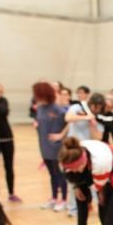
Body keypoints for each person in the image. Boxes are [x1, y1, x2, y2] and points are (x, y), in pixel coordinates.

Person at [32, 82, 69, 212]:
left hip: (56, 146)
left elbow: (69, 121)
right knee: (52, 174)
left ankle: (64, 200)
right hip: (44, 145)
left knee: (60, 174)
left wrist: (61, 135)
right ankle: (54, 198)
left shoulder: (57, 108)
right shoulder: (40, 108)